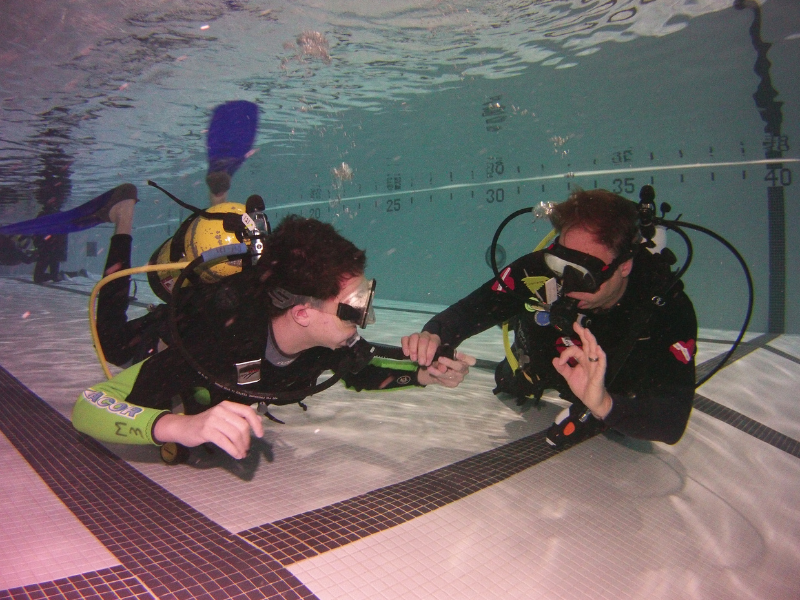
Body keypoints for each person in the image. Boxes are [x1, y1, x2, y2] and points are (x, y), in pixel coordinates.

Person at [72, 185, 475, 460]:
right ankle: (123, 218)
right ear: (302, 313)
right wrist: (180, 426)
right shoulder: (218, 342)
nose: (365, 318)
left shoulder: (324, 340)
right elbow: (89, 406)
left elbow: (358, 372)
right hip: (169, 335)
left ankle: (220, 199)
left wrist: (423, 376)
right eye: (353, 307)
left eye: (365, 299)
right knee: (113, 342)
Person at [402, 188, 697, 448]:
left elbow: (672, 421)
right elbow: (475, 308)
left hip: (614, 392)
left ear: (624, 266)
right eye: (561, 263)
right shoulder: (537, 272)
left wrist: (604, 404)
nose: (566, 284)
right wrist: (435, 334)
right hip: (538, 368)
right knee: (510, 380)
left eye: (584, 274)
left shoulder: (665, 308)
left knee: (624, 425)